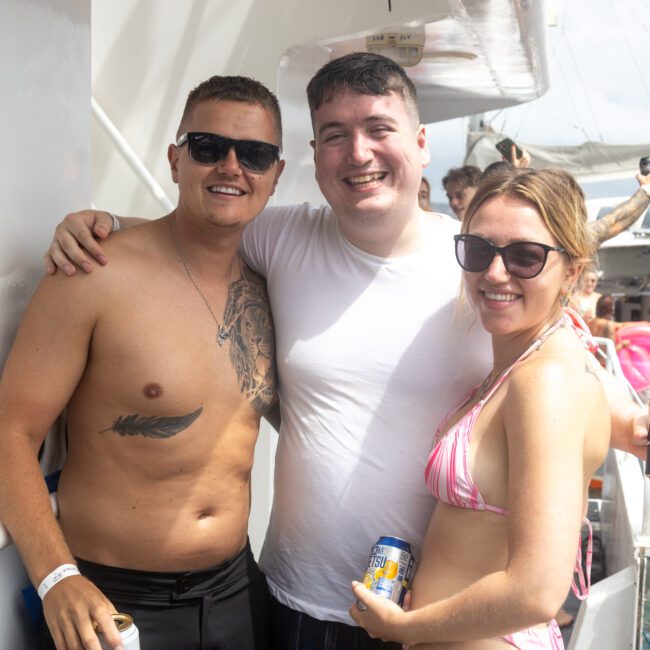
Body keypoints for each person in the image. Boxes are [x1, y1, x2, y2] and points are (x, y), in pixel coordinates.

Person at [41, 53, 649, 650]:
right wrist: (103, 225)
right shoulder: (281, 238)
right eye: (335, 135)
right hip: (293, 600)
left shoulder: (481, 261)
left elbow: (568, 365)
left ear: (420, 143)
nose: (358, 153)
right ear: (312, 157)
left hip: (431, 618)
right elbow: (195, 227)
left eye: (379, 129)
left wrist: (629, 421)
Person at [0, 75, 285, 650]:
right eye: (208, 147)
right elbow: (10, 429)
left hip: (238, 592)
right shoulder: (94, 273)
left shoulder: (271, 283)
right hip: (111, 603)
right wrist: (56, 578)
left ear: (275, 176)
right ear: (176, 159)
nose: (231, 166)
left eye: (254, 154)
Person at [351, 167, 610, 649]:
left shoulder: (544, 380)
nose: (494, 273)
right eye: (478, 251)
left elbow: (535, 592)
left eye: (525, 257)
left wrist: (403, 627)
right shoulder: (521, 366)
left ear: (571, 272)